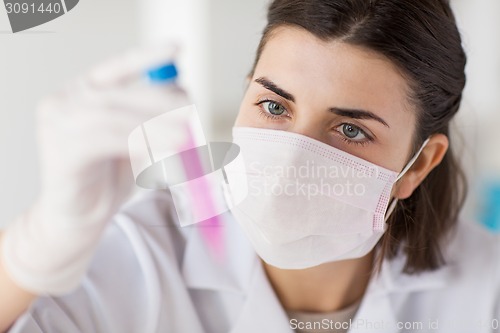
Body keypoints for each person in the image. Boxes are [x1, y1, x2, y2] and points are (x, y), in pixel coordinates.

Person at [1, 0, 499, 332]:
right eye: (275, 106)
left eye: (350, 130)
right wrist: (26, 257)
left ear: (418, 165)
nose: (290, 163)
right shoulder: (138, 258)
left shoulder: (486, 289)